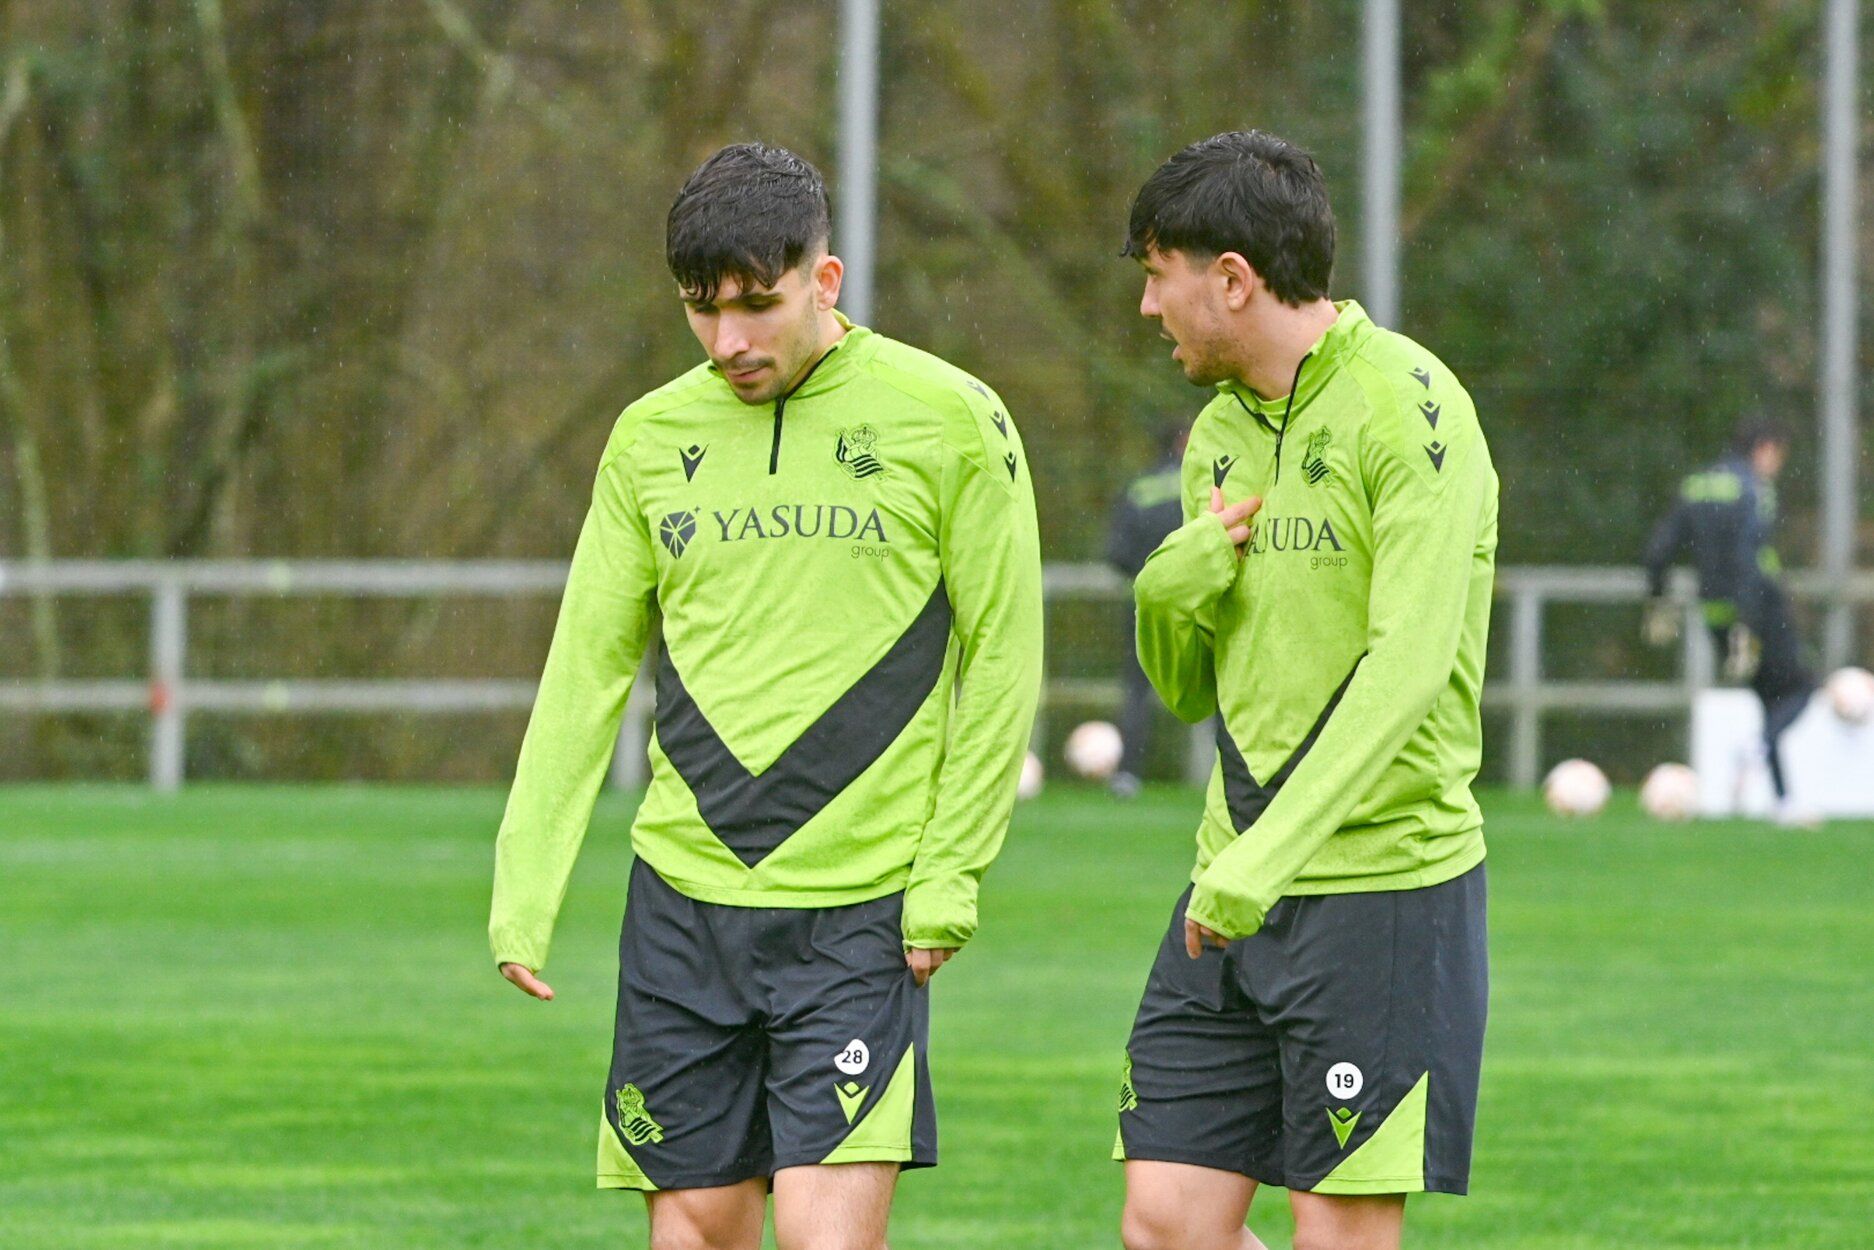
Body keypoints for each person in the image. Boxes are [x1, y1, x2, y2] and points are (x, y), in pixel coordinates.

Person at [488, 143, 1043, 1250]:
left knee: (824, 1239)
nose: (729, 341)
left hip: (857, 911)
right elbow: (586, 665)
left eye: (757, 304)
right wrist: (524, 881)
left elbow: (1004, 655)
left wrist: (948, 874)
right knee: (692, 1233)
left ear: (823, 281)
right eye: (701, 310)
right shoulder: (648, 439)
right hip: (683, 906)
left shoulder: (950, 418)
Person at [1113, 131, 1498, 1250]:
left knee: (1338, 1230)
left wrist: (1259, 864)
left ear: (1228, 278)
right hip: (1228, 880)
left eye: (1155, 273)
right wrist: (1161, 591)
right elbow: (1188, 690)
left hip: (1379, 888)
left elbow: (1409, 667)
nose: (1148, 308)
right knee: (1166, 1221)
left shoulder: (1413, 408)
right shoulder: (1218, 434)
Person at [1642, 418, 1816, 824]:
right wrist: (1749, 624)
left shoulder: (1697, 485)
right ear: (1765, 448)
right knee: (1803, 687)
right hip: (1758, 613)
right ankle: (1758, 752)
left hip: (1714, 614)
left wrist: (1657, 600)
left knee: (1767, 698)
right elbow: (1747, 557)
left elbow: (1659, 550)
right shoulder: (1753, 488)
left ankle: (1784, 801)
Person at [1105, 422, 1192, 797]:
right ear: (1181, 441)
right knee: (1225, 685)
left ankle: (1128, 775)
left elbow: (1115, 552)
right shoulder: (1204, 481)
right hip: (1198, 601)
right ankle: (1231, 773)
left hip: (1142, 604)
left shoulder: (1139, 486)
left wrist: (1146, 577)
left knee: (1137, 690)